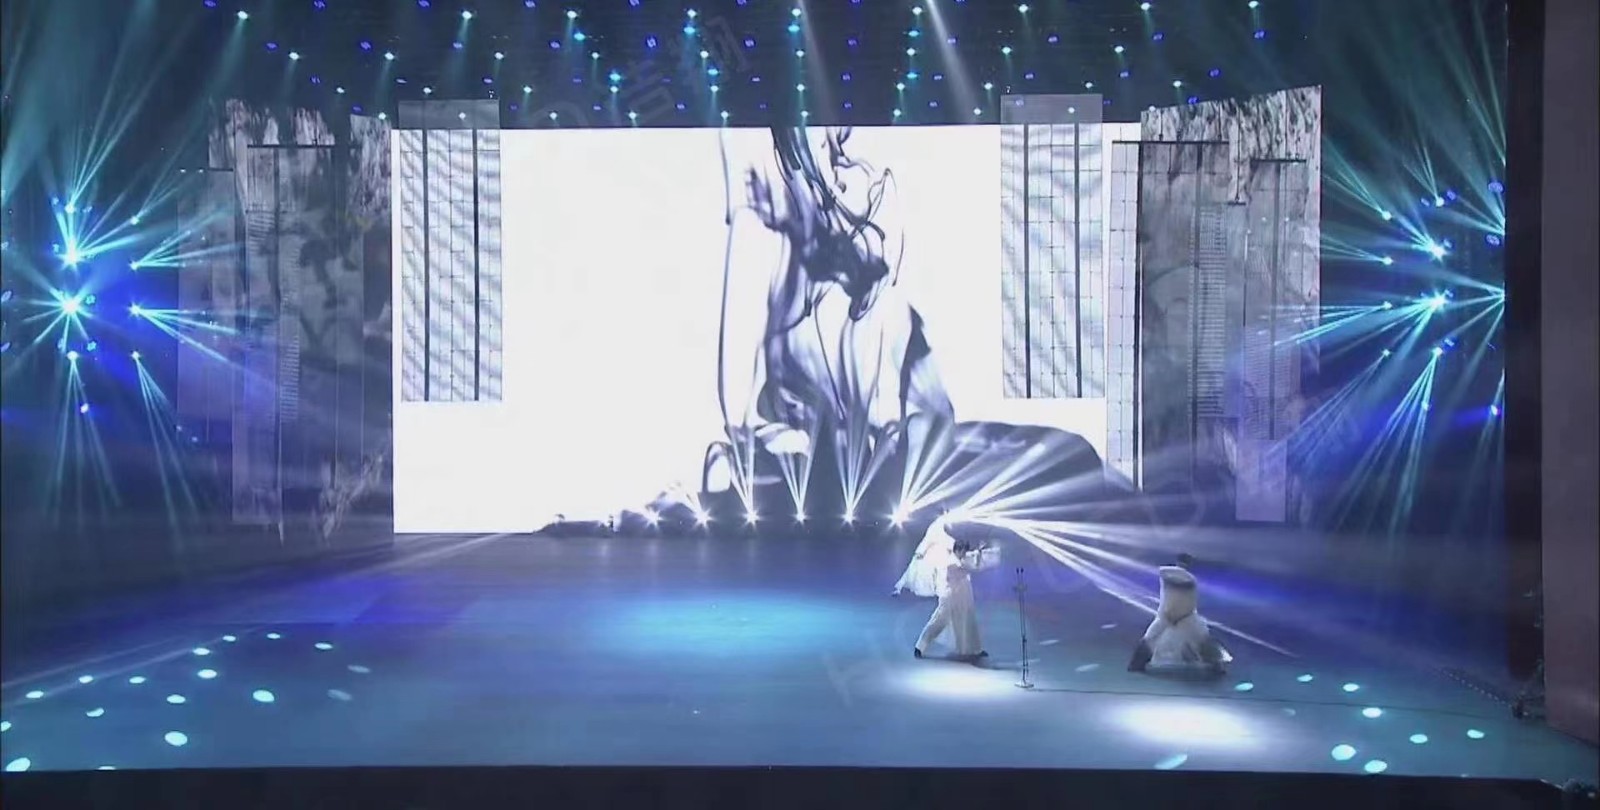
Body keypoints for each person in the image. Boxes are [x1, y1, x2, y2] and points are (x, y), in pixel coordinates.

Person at [893, 516, 996, 661]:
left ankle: (974, 649)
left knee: (968, 623)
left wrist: (979, 551)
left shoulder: (958, 558)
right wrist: (978, 554)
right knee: (938, 622)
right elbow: (966, 567)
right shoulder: (949, 563)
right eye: (963, 551)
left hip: (963, 597)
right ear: (958, 550)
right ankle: (920, 646)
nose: (964, 554)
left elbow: (971, 561)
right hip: (949, 599)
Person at [1128, 553, 1230, 675]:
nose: (1183, 565)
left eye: (1184, 564)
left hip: (1186, 616)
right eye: (1182, 563)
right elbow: (1167, 575)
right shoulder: (1168, 573)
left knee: (1202, 638)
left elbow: (1186, 591)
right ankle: (1137, 664)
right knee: (1150, 637)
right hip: (1166, 615)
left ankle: (1217, 666)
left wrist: (1181, 616)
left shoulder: (1189, 579)